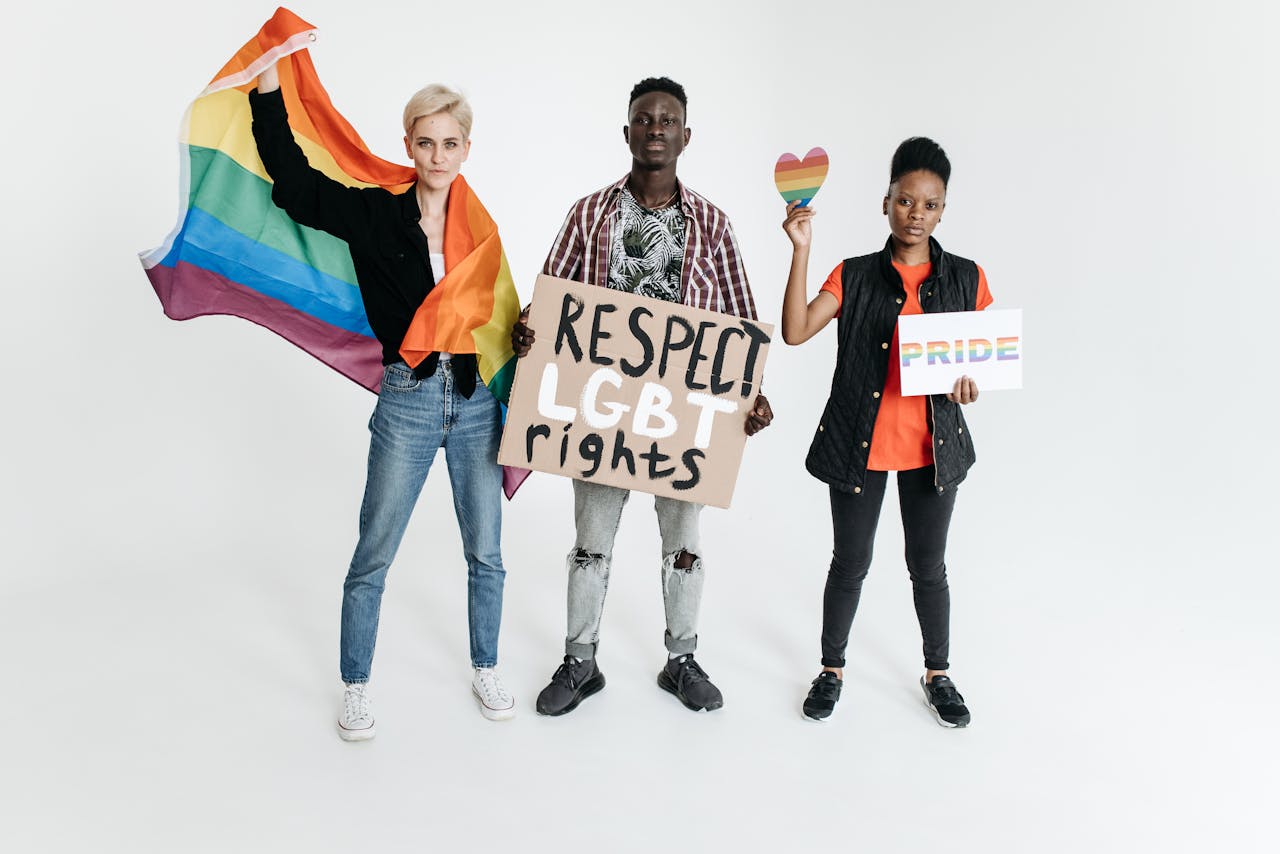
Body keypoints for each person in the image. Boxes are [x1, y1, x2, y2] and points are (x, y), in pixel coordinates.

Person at [250, 63, 514, 739]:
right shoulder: (375, 215)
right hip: (409, 398)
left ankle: (487, 664)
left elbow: (500, 322)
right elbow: (298, 189)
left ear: (466, 149)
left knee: (486, 549)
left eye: (449, 143)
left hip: (475, 396)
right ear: (408, 145)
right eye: (425, 143)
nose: (437, 156)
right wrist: (268, 94)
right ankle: (356, 685)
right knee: (375, 549)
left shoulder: (479, 227)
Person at [512, 76, 773, 716]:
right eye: (644, 118)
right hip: (603, 408)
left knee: (683, 541)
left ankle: (681, 659)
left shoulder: (711, 223)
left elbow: (739, 316)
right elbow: (552, 292)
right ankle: (580, 660)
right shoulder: (590, 214)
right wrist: (529, 329)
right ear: (627, 132)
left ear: (685, 135)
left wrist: (752, 390)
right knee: (590, 539)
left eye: (668, 119)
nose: (656, 127)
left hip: (682, 416)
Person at [780, 137, 991, 727]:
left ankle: (938, 674)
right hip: (859, 444)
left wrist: (970, 381)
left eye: (929, 204)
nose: (915, 214)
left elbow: (977, 362)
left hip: (933, 448)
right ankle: (831, 669)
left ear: (943, 210)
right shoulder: (852, 276)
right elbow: (795, 330)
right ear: (886, 202)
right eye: (905, 200)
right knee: (850, 562)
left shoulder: (967, 279)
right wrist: (801, 250)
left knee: (929, 566)